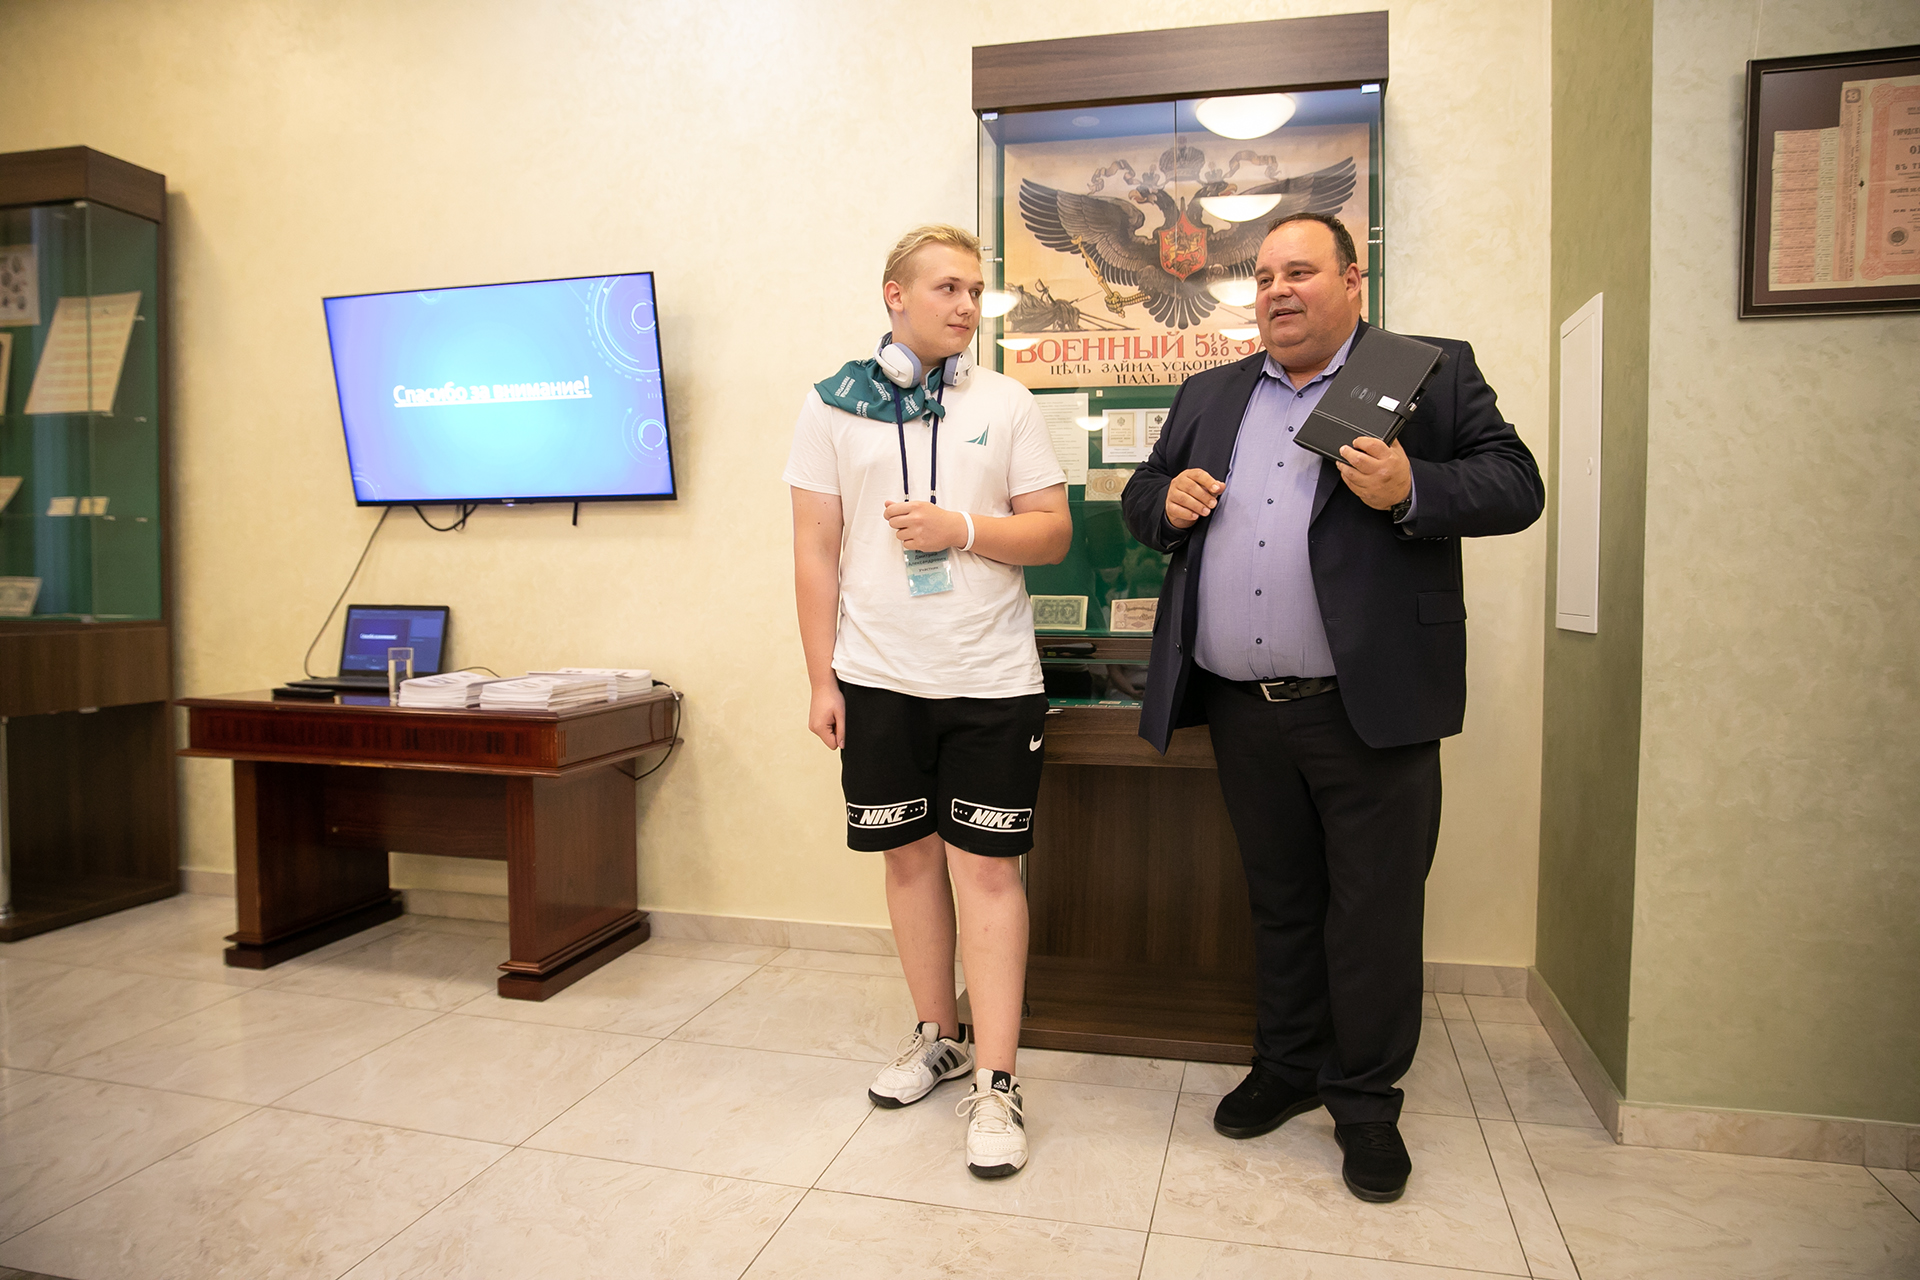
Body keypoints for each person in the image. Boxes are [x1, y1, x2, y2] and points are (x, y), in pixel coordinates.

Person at [1119, 212, 1542, 1203]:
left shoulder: (1423, 372)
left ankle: (1364, 1101)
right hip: (1244, 707)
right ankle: (1288, 1065)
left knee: (1374, 912)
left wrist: (1412, 484)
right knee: (1281, 901)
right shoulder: (1213, 392)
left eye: (1300, 271)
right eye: (1265, 275)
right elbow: (1143, 492)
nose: (1278, 289)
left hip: (1370, 705)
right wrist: (1163, 503)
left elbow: (1515, 483)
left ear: (1353, 281)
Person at [785, 223, 1072, 1179]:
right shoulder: (832, 405)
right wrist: (821, 677)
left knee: (986, 872)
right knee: (907, 861)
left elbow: (1052, 535)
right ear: (894, 295)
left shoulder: (1007, 402)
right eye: (948, 287)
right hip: (876, 680)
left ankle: (998, 1079)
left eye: (976, 290)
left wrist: (961, 529)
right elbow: (814, 549)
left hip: (990, 680)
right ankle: (937, 1037)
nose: (967, 305)